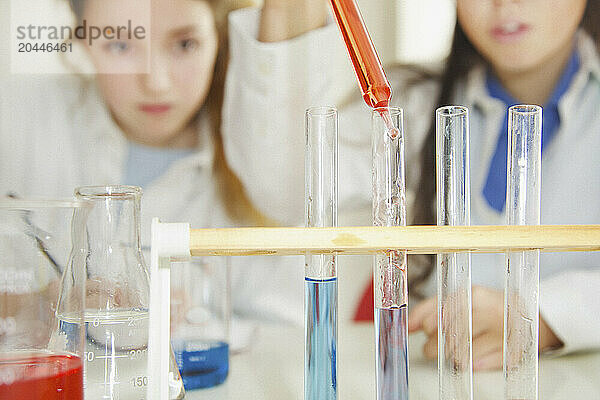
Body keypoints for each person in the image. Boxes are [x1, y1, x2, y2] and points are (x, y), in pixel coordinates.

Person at [222, 0, 600, 370]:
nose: (504, 3)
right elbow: (288, 188)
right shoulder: (417, 102)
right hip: (431, 375)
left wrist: (544, 316)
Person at [0, 0, 305, 326]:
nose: (156, 83)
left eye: (185, 45)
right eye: (119, 44)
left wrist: (197, 328)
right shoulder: (16, 117)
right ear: (82, 38)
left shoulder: (273, 163)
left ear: (219, 35)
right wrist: (37, 306)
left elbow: (289, 343)